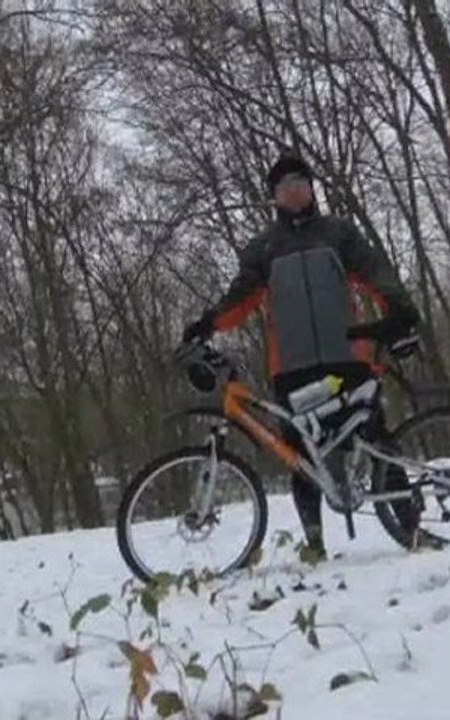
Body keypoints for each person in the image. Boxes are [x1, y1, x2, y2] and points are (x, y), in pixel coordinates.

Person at [182, 151, 423, 558]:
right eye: (283, 187)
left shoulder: (339, 234)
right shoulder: (264, 248)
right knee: (301, 456)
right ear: (274, 197)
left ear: (311, 189)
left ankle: (410, 527)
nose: (293, 192)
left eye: (300, 183)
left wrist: (401, 313)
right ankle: (314, 544)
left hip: (346, 356)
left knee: (377, 440)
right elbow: (240, 299)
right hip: (291, 366)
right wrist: (209, 324)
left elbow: (376, 275)